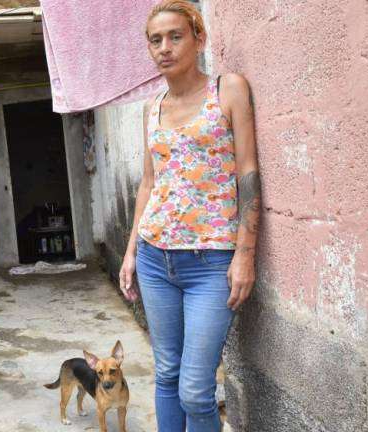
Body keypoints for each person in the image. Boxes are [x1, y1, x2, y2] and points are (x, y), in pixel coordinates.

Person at [118, 1, 261, 431]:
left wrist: (245, 254)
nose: (164, 47)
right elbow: (149, 183)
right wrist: (131, 253)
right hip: (154, 258)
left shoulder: (228, 90)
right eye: (155, 40)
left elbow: (248, 173)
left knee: (195, 389)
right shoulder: (151, 108)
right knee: (166, 373)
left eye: (175, 36)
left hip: (211, 262)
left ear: (199, 39)